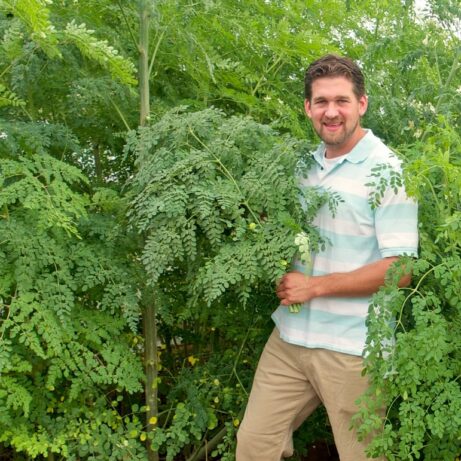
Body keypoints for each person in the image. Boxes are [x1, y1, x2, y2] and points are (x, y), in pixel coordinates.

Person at [236, 54, 419, 461]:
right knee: (254, 446)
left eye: (341, 101)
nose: (331, 112)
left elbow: (402, 269)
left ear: (362, 104)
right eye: (321, 102)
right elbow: (288, 232)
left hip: (352, 348)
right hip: (289, 338)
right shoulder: (302, 165)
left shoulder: (388, 170)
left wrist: (314, 287)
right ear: (308, 108)